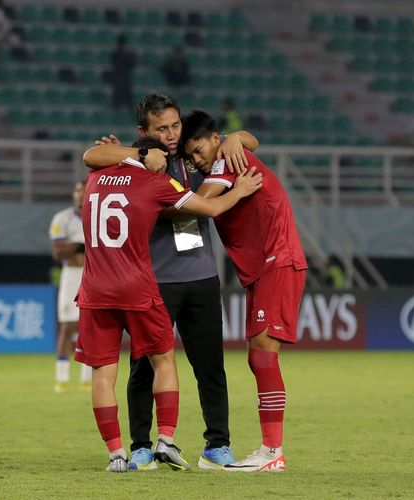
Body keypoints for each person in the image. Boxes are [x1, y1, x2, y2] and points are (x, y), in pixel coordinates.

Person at [83, 94, 258, 471]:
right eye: (162, 128)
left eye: (175, 125)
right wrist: (132, 154)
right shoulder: (141, 160)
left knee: (210, 367)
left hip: (201, 276)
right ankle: (142, 446)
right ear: (144, 131)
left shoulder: (196, 156)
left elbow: (250, 142)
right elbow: (90, 157)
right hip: (154, 279)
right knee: (143, 369)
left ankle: (217, 445)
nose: (172, 134)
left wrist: (233, 138)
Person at [179, 109, 308, 473]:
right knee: (257, 357)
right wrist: (240, 136)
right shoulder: (229, 150)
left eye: (199, 150)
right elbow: (247, 140)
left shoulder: (224, 161)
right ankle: (270, 450)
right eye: (189, 156)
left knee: (264, 355)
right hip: (261, 269)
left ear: (215, 139)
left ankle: (272, 452)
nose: (196, 159)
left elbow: (202, 201)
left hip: (276, 261)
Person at [48, 182, 93, 393]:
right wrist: (80, 246)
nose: (80, 196)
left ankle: (86, 378)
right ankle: (62, 378)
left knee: (90, 328)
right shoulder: (62, 219)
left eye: (84, 192)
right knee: (67, 326)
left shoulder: (99, 215)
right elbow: (58, 252)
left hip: (92, 275)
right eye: (77, 191)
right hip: (71, 275)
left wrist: (73, 247)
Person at [109, 35, 136, 110]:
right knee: (118, 99)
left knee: (127, 100)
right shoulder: (118, 54)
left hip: (123, 79)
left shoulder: (125, 54)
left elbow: (132, 63)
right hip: (121, 79)